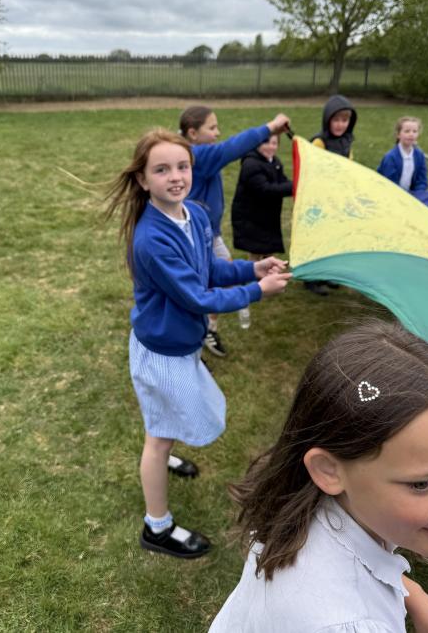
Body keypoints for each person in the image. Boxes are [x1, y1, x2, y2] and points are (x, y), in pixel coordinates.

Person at [105, 128, 291, 559]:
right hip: (162, 353)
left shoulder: (195, 214)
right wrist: (258, 291)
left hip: (179, 344)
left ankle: (164, 452)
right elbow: (198, 297)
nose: (176, 176)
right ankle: (157, 527)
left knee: (163, 423)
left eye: (182, 166)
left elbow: (209, 270)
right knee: (159, 437)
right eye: (162, 170)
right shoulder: (152, 240)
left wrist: (251, 269)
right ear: (142, 180)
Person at [209, 319, 428, 632]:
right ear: (328, 470)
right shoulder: (351, 624)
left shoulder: (301, 507)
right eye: (422, 484)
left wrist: (415, 596)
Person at [180, 106, 291, 356]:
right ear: (193, 133)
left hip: (210, 233)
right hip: (195, 237)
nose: (218, 132)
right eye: (212, 127)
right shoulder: (197, 155)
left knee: (222, 276)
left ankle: (208, 329)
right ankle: (194, 341)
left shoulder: (196, 152)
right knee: (202, 287)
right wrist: (270, 127)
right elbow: (232, 148)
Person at [231, 133, 293, 328]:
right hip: (251, 217)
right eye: (266, 142)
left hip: (266, 217)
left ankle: (268, 281)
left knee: (267, 250)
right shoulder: (251, 164)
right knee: (255, 252)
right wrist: (293, 187)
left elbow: (281, 181)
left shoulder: (274, 161)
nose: (271, 147)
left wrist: (291, 185)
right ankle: (252, 284)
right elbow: (265, 190)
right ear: (257, 144)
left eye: (274, 143)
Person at [306, 95, 358, 295]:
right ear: (327, 119)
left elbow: (349, 165)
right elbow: (313, 169)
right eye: (336, 120)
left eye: (344, 120)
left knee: (332, 237)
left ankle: (327, 273)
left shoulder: (347, 140)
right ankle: (311, 277)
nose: (340, 124)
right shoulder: (319, 142)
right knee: (317, 237)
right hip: (319, 198)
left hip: (338, 197)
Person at [377, 116, 428, 192]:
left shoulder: (419, 156)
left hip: (412, 195)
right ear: (398, 134)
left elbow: (422, 181)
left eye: (414, 131)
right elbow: (389, 183)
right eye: (407, 131)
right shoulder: (391, 157)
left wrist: (419, 194)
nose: (411, 134)